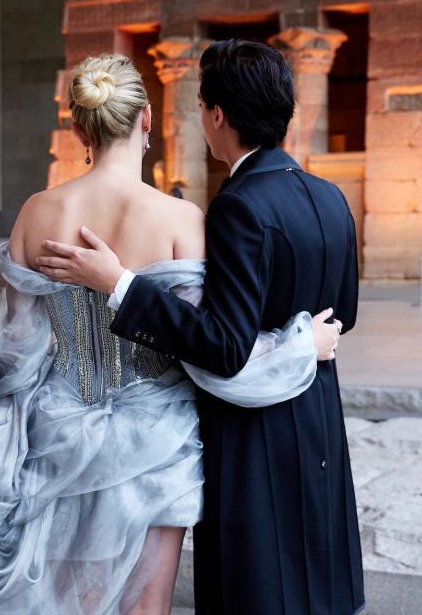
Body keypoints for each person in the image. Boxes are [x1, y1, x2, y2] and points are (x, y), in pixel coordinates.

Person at [0, 53, 341, 615]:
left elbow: (14, 353)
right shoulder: (181, 219)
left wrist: (7, 435)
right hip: (156, 441)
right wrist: (299, 347)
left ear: (79, 128)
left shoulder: (34, 213)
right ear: (147, 119)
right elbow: (211, 349)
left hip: (54, 431)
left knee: (63, 602)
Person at [37, 40, 366, 615]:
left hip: (254, 431)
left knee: (259, 588)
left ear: (217, 116)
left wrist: (119, 284)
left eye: (201, 111)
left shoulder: (239, 205)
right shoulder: (331, 198)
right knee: (318, 576)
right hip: (318, 419)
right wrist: (304, 342)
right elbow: (345, 315)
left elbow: (223, 345)